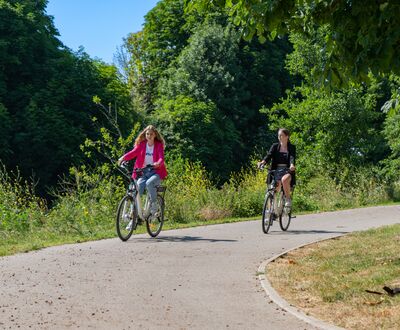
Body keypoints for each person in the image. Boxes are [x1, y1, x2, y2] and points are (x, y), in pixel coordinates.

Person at [118, 125, 167, 216]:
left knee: (149, 183)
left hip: (156, 172)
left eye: (151, 134)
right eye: (147, 134)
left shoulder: (158, 145)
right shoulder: (142, 144)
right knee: (139, 186)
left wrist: (158, 163)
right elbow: (133, 153)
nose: (149, 136)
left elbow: (161, 157)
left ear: (155, 135)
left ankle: (154, 205)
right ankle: (135, 212)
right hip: (143, 171)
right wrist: (123, 158)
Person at [257, 128, 296, 208]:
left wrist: (292, 165)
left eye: (281, 135)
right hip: (276, 170)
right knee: (274, 189)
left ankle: (288, 199)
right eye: (278, 135)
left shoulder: (291, 147)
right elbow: (269, 155)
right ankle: (273, 210)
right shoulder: (275, 146)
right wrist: (262, 162)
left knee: (284, 180)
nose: (279, 137)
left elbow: (292, 157)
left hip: (287, 170)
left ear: (287, 136)